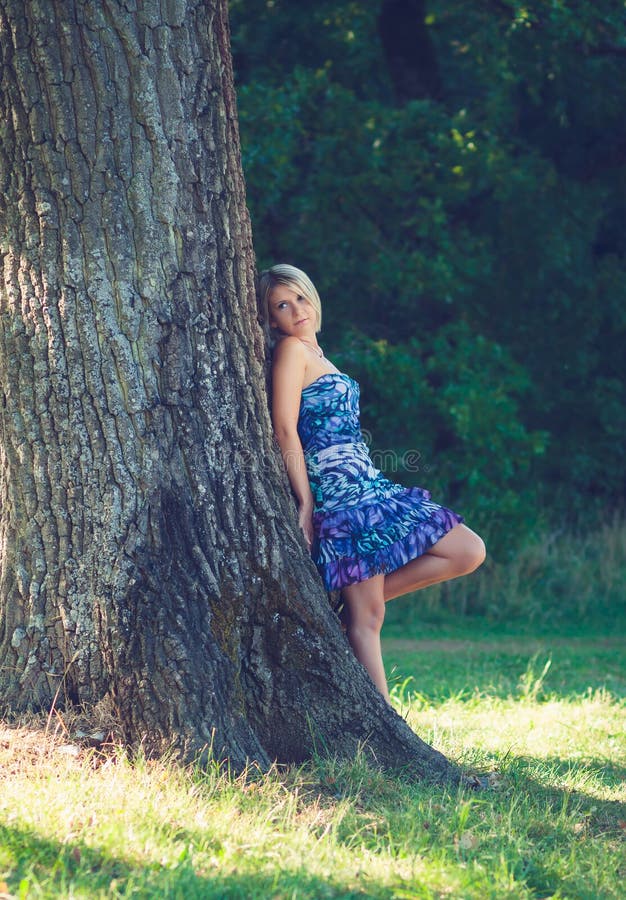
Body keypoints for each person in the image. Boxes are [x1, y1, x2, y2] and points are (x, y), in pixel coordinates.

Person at [260, 263, 486, 703]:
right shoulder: (291, 350)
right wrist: (306, 502)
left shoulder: (318, 353)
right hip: (340, 495)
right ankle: (385, 723)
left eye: (301, 298)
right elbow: (285, 428)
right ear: (271, 319)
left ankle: (351, 603)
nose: (296, 310)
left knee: (467, 551)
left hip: (368, 484)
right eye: (282, 306)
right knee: (368, 620)